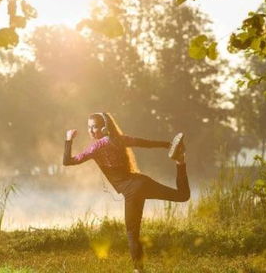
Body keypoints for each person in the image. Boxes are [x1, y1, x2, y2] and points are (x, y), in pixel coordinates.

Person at [63, 112, 190, 273]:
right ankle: (180, 162)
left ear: (104, 128)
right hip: (142, 183)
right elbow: (146, 143)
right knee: (183, 196)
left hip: (133, 192)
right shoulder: (121, 139)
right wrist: (169, 144)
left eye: (94, 127)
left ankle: (138, 270)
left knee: (132, 232)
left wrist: (68, 139)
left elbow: (67, 161)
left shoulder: (96, 147)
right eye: (89, 127)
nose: (91, 131)